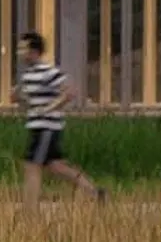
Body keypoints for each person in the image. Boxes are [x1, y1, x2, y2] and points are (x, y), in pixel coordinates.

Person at [16, 30, 101, 199]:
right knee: (56, 166)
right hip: (37, 126)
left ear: (34, 51)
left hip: (46, 128)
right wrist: (18, 98)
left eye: (23, 49)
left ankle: (30, 212)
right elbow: (29, 103)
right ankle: (95, 193)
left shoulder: (48, 71)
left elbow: (70, 92)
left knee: (32, 166)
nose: (20, 53)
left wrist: (50, 108)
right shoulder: (28, 75)